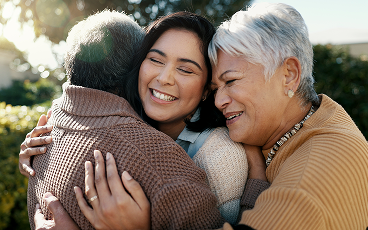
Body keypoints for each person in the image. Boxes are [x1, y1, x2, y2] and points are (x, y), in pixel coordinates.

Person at [26, 10, 225, 230]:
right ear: (136, 66)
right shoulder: (158, 160)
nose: (164, 78)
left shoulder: (220, 154)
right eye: (156, 60)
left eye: (185, 69)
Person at [208, 2, 368, 229]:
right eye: (215, 89)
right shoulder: (304, 125)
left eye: (231, 81)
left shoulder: (322, 160)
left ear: (289, 75)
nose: (218, 101)